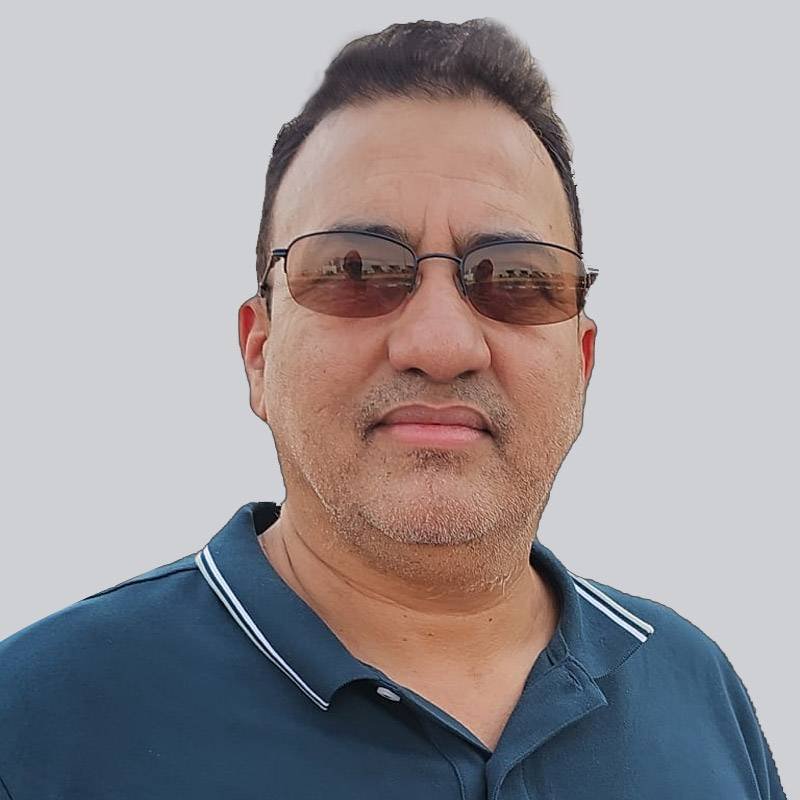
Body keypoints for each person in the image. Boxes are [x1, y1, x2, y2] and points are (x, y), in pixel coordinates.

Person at [0, 18, 786, 800]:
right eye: (356, 269)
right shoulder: (36, 723)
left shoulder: (694, 687)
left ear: (581, 365)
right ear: (258, 352)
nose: (441, 344)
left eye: (515, 277)